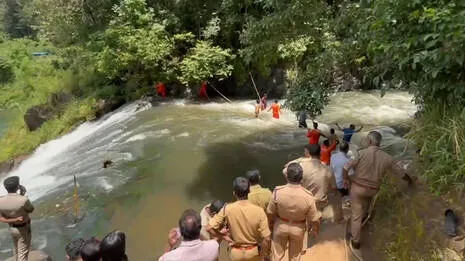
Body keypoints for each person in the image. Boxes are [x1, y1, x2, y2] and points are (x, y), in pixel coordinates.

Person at [343, 131, 413, 250]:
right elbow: (401, 173)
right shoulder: (388, 158)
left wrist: (346, 179)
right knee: (365, 207)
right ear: (379, 142)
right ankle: (364, 219)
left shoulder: (360, 153)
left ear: (369, 141)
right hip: (373, 191)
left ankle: (356, 242)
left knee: (356, 216)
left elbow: (345, 167)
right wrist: (410, 181)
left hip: (358, 188)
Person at [207, 177, 271, 261]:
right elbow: (267, 238)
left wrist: (223, 236)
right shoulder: (259, 211)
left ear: (234, 193)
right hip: (253, 253)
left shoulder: (227, 209)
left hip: (236, 253)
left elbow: (209, 228)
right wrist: (264, 254)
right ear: (249, 191)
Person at [267, 163, 321, 261]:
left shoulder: (277, 192)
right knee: (295, 257)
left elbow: (270, 212)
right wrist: (315, 229)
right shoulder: (308, 196)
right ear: (301, 178)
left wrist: (270, 223)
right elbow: (314, 218)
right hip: (298, 228)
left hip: (280, 225)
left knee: (277, 256)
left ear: (287, 177)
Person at [283, 145, 342, 220]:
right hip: (319, 202)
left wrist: (293, 185)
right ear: (320, 154)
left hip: (303, 200)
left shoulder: (300, 165)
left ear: (308, 153)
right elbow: (334, 188)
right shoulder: (327, 169)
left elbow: (285, 171)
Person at [0, 176, 34, 261]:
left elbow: (1, 218)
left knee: (17, 250)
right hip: (23, 229)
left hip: (12, 228)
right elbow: (30, 209)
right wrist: (22, 194)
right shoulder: (23, 200)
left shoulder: (1, 200)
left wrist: (13, 220)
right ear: (18, 187)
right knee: (23, 255)